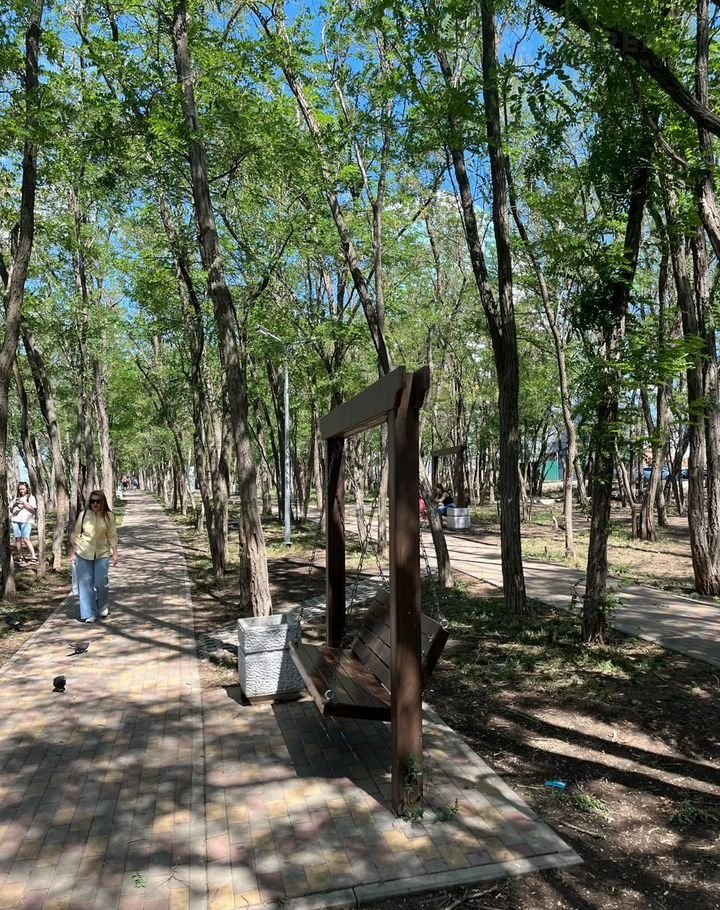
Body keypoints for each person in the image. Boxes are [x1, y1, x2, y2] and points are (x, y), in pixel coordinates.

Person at [70, 490, 119, 623]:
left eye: (98, 501)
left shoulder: (109, 516)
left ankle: (102, 605)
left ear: (103, 502)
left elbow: (112, 535)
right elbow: (77, 534)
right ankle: (89, 613)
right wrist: (73, 552)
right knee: (85, 583)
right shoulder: (83, 515)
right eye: (92, 501)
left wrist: (115, 553)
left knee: (100, 581)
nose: (95, 504)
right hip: (83, 552)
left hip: (102, 553)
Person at [9, 481, 37, 564]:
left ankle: (33, 556)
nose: (21, 491)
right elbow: (12, 511)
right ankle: (21, 557)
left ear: (27, 489)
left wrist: (24, 504)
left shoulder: (31, 498)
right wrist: (15, 506)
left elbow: (33, 510)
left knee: (26, 538)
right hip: (15, 521)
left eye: (23, 489)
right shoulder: (15, 499)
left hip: (26, 521)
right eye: (20, 489)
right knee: (18, 538)